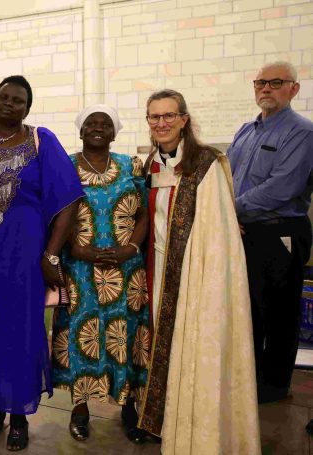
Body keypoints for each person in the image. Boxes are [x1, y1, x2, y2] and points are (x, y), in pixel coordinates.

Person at [0, 76, 82, 451]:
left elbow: (69, 201)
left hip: (24, 255)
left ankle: (18, 415)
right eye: (3, 97)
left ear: (27, 108)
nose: (9, 104)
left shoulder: (40, 141)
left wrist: (50, 254)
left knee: (22, 331)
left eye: (18, 100)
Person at [138, 89, 260, 454]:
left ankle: (190, 425)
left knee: (189, 345)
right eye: (154, 117)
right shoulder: (149, 165)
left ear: (184, 120)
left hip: (195, 272)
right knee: (158, 343)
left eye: (168, 116)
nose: (161, 123)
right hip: (156, 267)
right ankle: (159, 420)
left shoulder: (206, 163)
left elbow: (219, 229)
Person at [50, 105, 149, 443]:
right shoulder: (65, 165)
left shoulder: (130, 165)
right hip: (80, 269)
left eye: (104, 123)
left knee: (127, 334)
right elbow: (54, 212)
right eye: (90, 123)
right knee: (82, 335)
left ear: (114, 132)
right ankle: (80, 410)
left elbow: (145, 214)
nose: (97, 128)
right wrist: (74, 248)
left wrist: (131, 248)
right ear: (80, 131)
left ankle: (130, 406)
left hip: (126, 269)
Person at [226, 61, 313, 404]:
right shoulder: (246, 131)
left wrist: (227, 209)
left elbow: (282, 188)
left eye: (275, 82)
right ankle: (250, 380)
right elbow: (227, 175)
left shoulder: (302, 133)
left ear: (294, 88)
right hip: (245, 230)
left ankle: (274, 387)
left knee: (279, 312)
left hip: (280, 233)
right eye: (260, 82)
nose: (266, 88)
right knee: (250, 310)